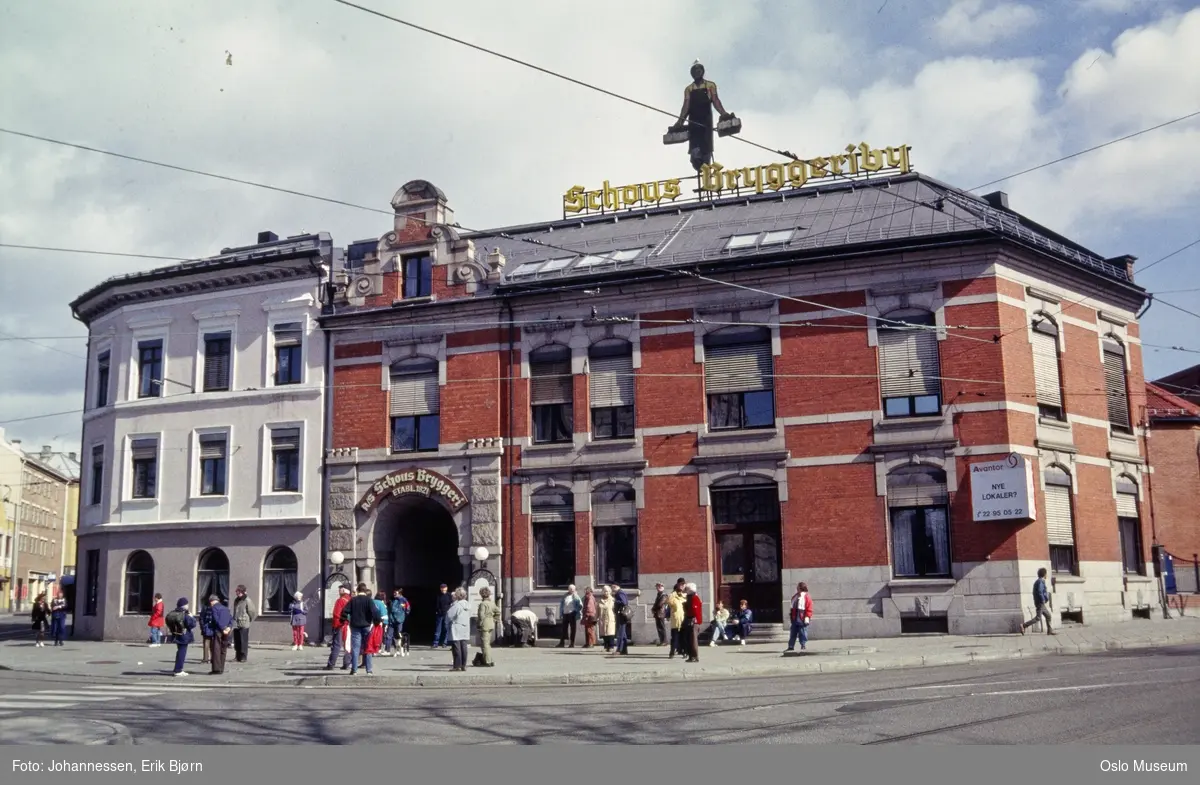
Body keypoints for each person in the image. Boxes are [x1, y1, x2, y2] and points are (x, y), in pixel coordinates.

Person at [672, 61, 733, 171]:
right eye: (694, 71)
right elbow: (686, 105)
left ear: (702, 72)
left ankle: (706, 168)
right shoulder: (689, 89)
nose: (697, 72)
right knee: (695, 150)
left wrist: (723, 113)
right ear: (692, 74)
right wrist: (680, 122)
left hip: (706, 120)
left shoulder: (710, 85)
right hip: (694, 121)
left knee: (706, 147)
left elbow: (715, 100)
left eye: (699, 70)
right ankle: (699, 164)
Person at [340, 583, 382, 676]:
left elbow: (344, 611)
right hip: (366, 626)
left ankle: (354, 670)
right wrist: (376, 622)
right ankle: (369, 670)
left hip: (355, 627)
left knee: (355, 648)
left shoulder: (353, 600)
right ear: (365, 590)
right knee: (368, 648)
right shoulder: (369, 600)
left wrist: (342, 620)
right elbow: (375, 612)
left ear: (358, 590)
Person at [1020, 568, 1056, 636]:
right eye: (1046, 574)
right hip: (1040, 603)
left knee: (1048, 616)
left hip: (1039, 602)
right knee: (1038, 618)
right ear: (1044, 574)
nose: (1046, 575)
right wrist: (1043, 599)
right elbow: (1040, 591)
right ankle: (1024, 625)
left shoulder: (1039, 581)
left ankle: (1050, 631)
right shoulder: (1040, 581)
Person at [166, 598, 196, 677]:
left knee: (179, 651)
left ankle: (177, 668)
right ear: (184, 605)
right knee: (182, 652)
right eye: (187, 604)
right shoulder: (185, 614)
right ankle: (178, 670)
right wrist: (192, 617)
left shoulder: (174, 612)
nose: (188, 605)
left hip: (176, 634)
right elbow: (192, 624)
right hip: (184, 635)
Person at [203, 595, 234, 675]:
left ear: (212, 601)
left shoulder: (214, 608)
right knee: (223, 649)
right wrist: (229, 628)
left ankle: (216, 669)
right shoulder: (225, 608)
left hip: (218, 631)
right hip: (227, 631)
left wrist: (223, 628)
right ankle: (221, 668)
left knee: (216, 649)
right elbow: (231, 619)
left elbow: (216, 619)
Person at [326, 585, 353, 671]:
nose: (338, 591)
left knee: (336, 645)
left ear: (344, 590)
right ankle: (347, 663)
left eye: (340, 589)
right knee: (348, 645)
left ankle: (331, 664)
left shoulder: (340, 601)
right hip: (349, 626)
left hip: (340, 625)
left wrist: (335, 626)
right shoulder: (351, 600)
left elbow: (336, 614)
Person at [446, 587, 470, 672]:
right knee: (464, 646)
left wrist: (447, 623)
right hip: (465, 627)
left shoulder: (457, 605)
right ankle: (464, 665)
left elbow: (449, 615)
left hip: (456, 627)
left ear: (458, 596)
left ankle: (457, 666)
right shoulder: (467, 604)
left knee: (456, 647)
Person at [231, 585, 257, 663]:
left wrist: (248, 619)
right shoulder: (236, 600)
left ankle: (243, 656)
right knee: (237, 640)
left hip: (244, 623)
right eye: (237, 592)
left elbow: (252, 611)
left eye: (239, 592)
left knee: (243, 641)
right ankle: (237, 655)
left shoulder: (247, 600)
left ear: (243, 592)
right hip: (236, 623)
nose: (237, 593)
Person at [475, 586, 500, 667]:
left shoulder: (482, 604)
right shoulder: (492, 603)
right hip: (491, 624)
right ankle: (490, 659)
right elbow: (498, 612)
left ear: (481, 595)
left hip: (484, 625)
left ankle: (487, 661)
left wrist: (478, 625)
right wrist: (494, 620)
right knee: (488, 643)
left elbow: (481, 616)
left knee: (484, 644)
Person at [786, 581, 813, 652]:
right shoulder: (795, 596)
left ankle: (803, 645)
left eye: (798, 587)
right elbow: (792, 607)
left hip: (802, 617)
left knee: (802, 632)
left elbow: (809, 608)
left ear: (801, 588)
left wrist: (807, 617)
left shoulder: (807, 597)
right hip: (795, 617)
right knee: (793, 632)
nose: (797, 589)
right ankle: (791, 646)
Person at [388, 589, 410, 657]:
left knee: (399, 635)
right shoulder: (391, 599)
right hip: (391, 620)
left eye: (396, 593)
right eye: (394, 592)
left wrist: (403, 616)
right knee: (389, 635)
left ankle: (399, 650)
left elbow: (408, 608)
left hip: (399, 620)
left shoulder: (403, 600)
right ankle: (388, 650)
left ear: (400, 593)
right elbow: (389, 608)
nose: (394, 594)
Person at [683, 583, 702, 663]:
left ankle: (694, 656)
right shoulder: (690, 598)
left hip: (693, 621)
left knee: (693, 639)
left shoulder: (694, 598)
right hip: (690, 620)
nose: (685, 592)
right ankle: (691, 656)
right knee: (690, 639)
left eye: (686, 590)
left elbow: (695, 611)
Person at [667, 582, 686, 658]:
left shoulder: (684, 597)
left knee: (683, 638)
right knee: (674, 638)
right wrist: (674, 592)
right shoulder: (672, 597)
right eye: (679, 587)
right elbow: (669, 601)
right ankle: (672, 652)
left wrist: (682, 593)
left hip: (683, 619)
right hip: (675, 620)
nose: (680, 589)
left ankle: (684, 651)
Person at [597, 586, 617, 653]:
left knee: (610, 633)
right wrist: (595, 618)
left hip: (610, 618)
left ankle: (611, 646)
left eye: (607, 591)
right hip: (602, 619)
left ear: (610, 592)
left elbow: (615, 610)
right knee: (604, 633)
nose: (606, 593)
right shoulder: (600, 601)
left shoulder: (613, 600)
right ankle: (606, 647)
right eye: (605, 591)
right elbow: (597, 610)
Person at [613, 584, 631, 655]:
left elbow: (624, 602)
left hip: (621, 615)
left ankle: (619, 650)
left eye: (614, 587)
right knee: (623, 633)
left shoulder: (620, 593)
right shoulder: (618, 593)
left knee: (620, 633)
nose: (613, 588)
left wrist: (615, 601)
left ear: (618, 587)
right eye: (612, 587)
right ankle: (624, 650)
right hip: (620, 615)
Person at [433, 583, 452, 649]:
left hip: (447, 614)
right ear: (440, 589)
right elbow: (436, 605)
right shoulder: (438, 595)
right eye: (442, 588)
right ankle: (436, 643)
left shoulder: (449, 595)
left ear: (446, 588)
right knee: (438, 629)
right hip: (440, 614)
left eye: (444, 588)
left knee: (446, 628)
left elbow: (451, 604)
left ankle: (445, 642)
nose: (443, 589)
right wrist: (438, 611)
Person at [198, 599, 214, 664]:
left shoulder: (205, 607)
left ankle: (206, 659)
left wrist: (202, 626)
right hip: (211, 627)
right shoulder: (216, 607)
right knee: (211, 643)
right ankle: (211, 658)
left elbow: (201, 618)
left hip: (207, 627)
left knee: (207, 643)